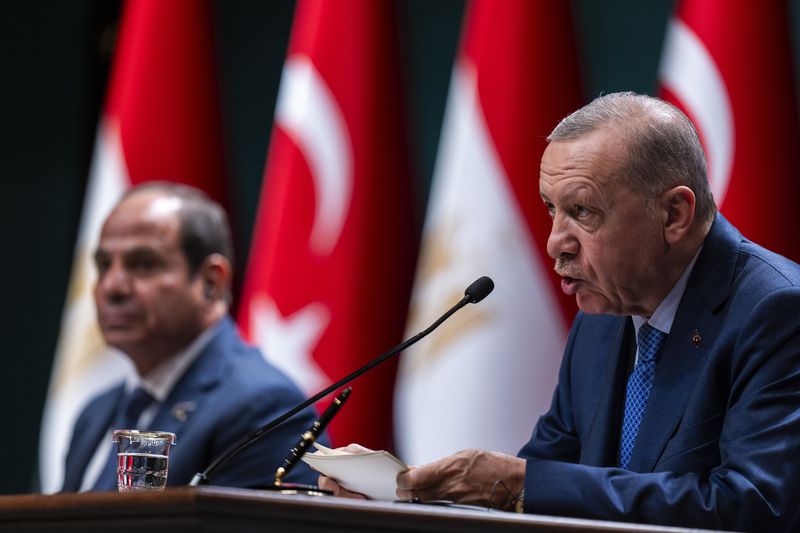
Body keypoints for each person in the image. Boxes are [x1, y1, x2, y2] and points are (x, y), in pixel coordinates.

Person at [321, 93, 800, 531]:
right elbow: (542, 486)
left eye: (584, 211)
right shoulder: (602, 315)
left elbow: (751, 506)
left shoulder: (775, 312)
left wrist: (520, 485)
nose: (555, 242)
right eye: (552, 208)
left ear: (673, 214)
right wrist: (406, 492)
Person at [61, 183, 322, 491]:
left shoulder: (263, 407)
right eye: (104, 265)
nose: (112, 287)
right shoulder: (96, 412)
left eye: (143, 264)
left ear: (211, 282)